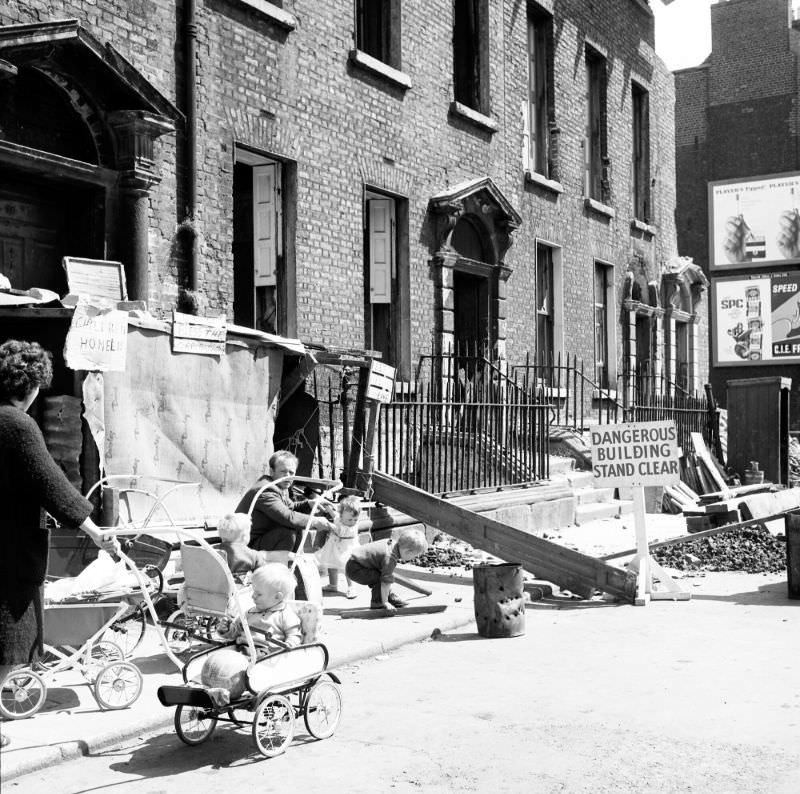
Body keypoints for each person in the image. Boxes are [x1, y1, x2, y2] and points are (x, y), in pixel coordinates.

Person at [0, 340, 118, 747]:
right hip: (9, 552)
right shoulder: (17, 424)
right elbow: (50, 482)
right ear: (31, 386)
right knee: (9, 635)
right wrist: (97, 531)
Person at [236, 450, 334, 563]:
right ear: (272, 471)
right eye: (283, 472)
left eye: (291, 473)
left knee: (295, 527)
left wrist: (310, 503)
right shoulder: (265, 491)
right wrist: (314, 521)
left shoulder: (280, 486)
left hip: (262, 539)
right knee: (287, 532)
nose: (288, 476)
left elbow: (290, 507)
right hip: (247, 546)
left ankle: (291, 567)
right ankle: (278, 572)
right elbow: (287, 517)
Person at [345, 528, 428, 611]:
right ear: (407, 552)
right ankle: (378, 603)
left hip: (356, 563)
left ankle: (387, 597)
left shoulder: (393, 544)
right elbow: (385, 582)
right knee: (380, 579)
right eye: (415, 555)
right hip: (355, 569)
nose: (414, 558)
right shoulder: (390, 558)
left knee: (385, 576)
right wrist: (385, 602)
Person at [222, 563, 302, 648]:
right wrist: (227, 629)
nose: (252, 596)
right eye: (253, 592)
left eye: (259, 594)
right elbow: (235, 632)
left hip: (264, 653)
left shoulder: (285, 615)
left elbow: (294, 637)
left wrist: (287, 647)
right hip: (240, 647)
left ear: (277, 597)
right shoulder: (250, 612)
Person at [314, 495, 362, 598]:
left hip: (346, 550)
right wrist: (328, 507)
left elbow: (340, 531)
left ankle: (351, 587)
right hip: (334, 547)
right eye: (350, 519)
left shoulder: (352, 528)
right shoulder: (339, 518)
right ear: (341, 515)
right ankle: (333, 585)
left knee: (347, 567)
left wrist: (327, 523)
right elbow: (334, 514)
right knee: (331, 565)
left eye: (355, 519)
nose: (353, 522)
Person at [217, 513, 267, 577]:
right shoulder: (255, 556)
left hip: (219, 585)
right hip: (243, 586)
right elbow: (262, 576)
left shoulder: (214, 552)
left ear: (222, 537)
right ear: (245, 536)